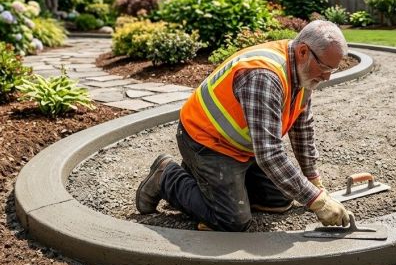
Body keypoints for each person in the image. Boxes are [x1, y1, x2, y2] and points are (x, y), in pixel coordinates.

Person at [135, 20, 351, 231]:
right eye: (324, 67)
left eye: (333, 69)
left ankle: (204, 182)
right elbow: (269, 154)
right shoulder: (265, 76)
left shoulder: (303, 70)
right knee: (232, 221)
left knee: (282, 199)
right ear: (303, 51)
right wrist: (318, 201)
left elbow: (302, 127)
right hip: (207, 143)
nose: (327, 76)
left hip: (243, 148)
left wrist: (313, 180)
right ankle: (166, 176)